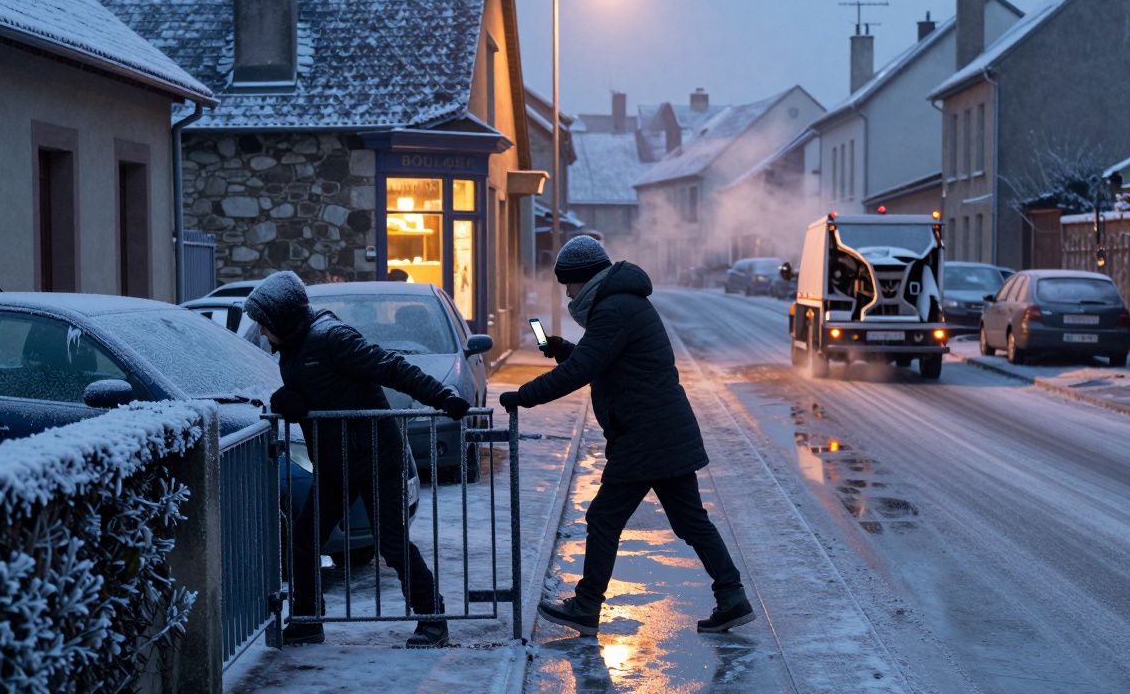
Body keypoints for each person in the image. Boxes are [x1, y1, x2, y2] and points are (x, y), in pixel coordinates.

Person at [499, 237, 753, 636]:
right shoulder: (621, 303)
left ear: (586, 278)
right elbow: (601, 358)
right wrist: (564, 348)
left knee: (603, 518)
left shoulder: (614, 309)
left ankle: (586, 606)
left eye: (570, 284)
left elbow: (583, 369)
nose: (567, 292)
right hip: (663, 430)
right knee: (690, 521)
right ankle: (732, 596)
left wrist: (522, 397)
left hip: (645, 435)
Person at [244, 271, 471, 648]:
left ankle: (432, 619)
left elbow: (392, 367)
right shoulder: (294, 346)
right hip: (336, 465)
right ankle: (307, 619)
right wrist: (294, 402)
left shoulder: (332, 337)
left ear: (283, 317)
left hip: (375, 460)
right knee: (304, 540)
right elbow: (324, 394)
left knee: (392, 543)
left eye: (266, 325)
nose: (264, 334)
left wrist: (443, 397)